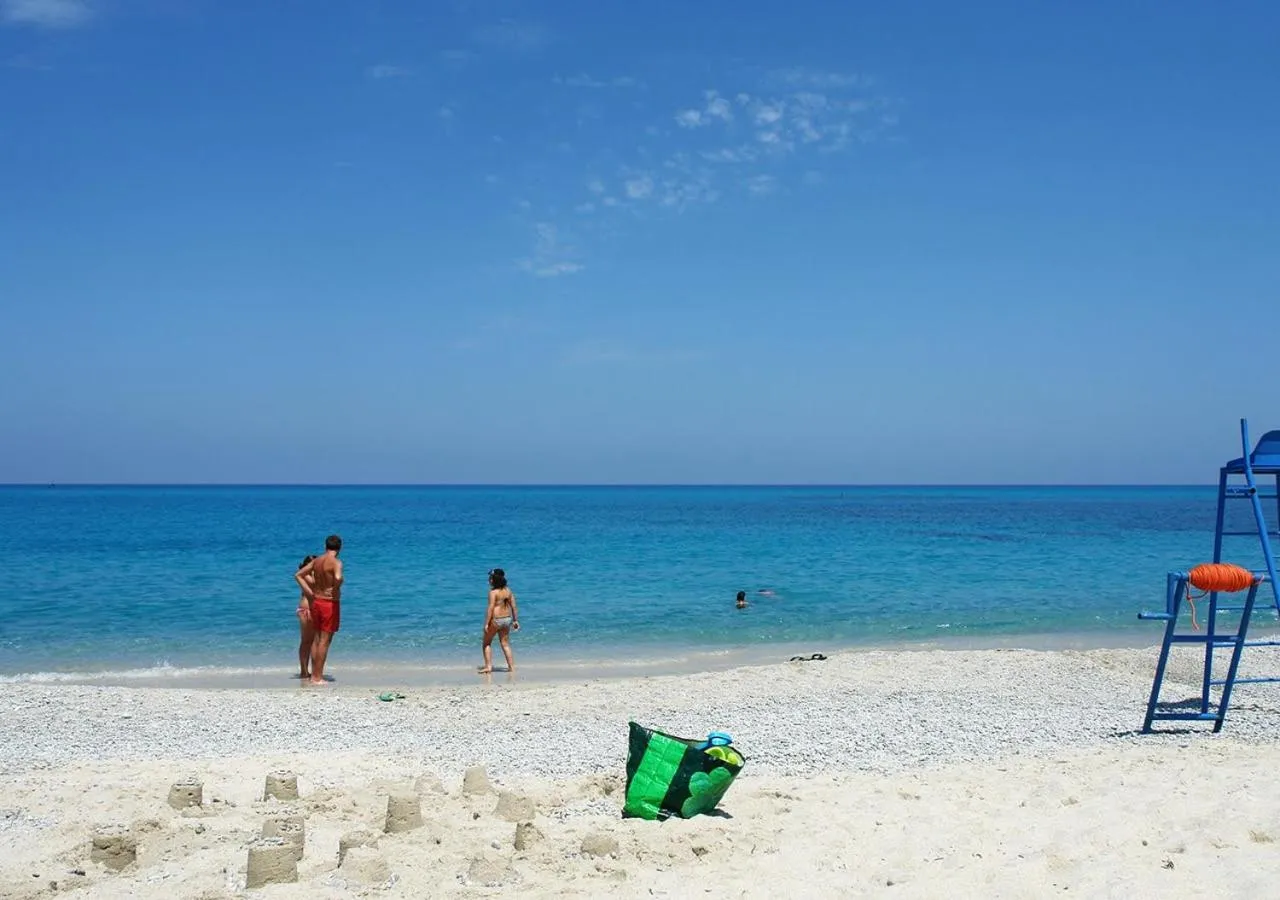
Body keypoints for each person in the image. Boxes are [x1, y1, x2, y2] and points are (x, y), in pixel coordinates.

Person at [295, 535, 343, 686]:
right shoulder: (336, 562)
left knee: (316, 639)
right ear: (339, 548)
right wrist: (335, 588)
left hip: (316, 602)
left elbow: (298, 575)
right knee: (324, 640)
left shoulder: (317, 561)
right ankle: (317, 677)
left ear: (325, 546)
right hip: (329, 603)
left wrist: (311, 593)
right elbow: (338, 577)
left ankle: (313, 675)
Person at [479, 568, 519, 674]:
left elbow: (490, 608)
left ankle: (488, 667)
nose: (489, 580)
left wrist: (486, 623)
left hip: (496, 620)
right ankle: (512, 667)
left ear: (493, 580)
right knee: (505, 644)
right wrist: (515, 620)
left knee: (486, 643)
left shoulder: (493, 592)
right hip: (507, 619)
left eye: (490, 578)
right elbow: (514, 606)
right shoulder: (508, 590)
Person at [295, 555, 317, 679]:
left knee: (313, 641)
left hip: (313, 609)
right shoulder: (306, 575)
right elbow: (314, 584)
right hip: (306, 610)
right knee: (306, 641)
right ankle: (304, 670)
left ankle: (312, 671)